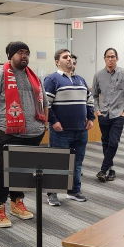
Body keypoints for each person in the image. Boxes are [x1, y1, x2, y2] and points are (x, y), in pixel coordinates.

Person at [0, 41, 47, 228]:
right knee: (2, 172)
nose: (24, 56)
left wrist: (44, 125)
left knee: (23, 172)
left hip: (32, 134)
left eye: (26, 52)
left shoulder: (33, 77)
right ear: (10, 55)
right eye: (19, 52)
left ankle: (17, 202)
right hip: (5, 134)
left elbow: (45, 103)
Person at [44, 49, 95, 206]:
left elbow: (89, 100)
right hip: (61, 131)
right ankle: (52, 193)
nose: (69, 60)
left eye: (71, 57)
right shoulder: (52, 79)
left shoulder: (80, 80)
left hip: (80, 130)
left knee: (77, 162)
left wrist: (91, 117)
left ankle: (73, 191)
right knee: (58, 162)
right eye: (65, 57)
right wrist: (54, 121)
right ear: (57, 62)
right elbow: (46, 104)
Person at [91, 48, 124, 182]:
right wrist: (97, 111)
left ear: (117, 59)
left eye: (113, 57)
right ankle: (111, 169)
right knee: (106, 142)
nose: (110, 59)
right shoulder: (98, 75)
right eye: (108, 57)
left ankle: (103, 169)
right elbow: (95, 95)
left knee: (113, 142)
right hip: (103, 113)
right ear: (104, 59)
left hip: (118, 114)